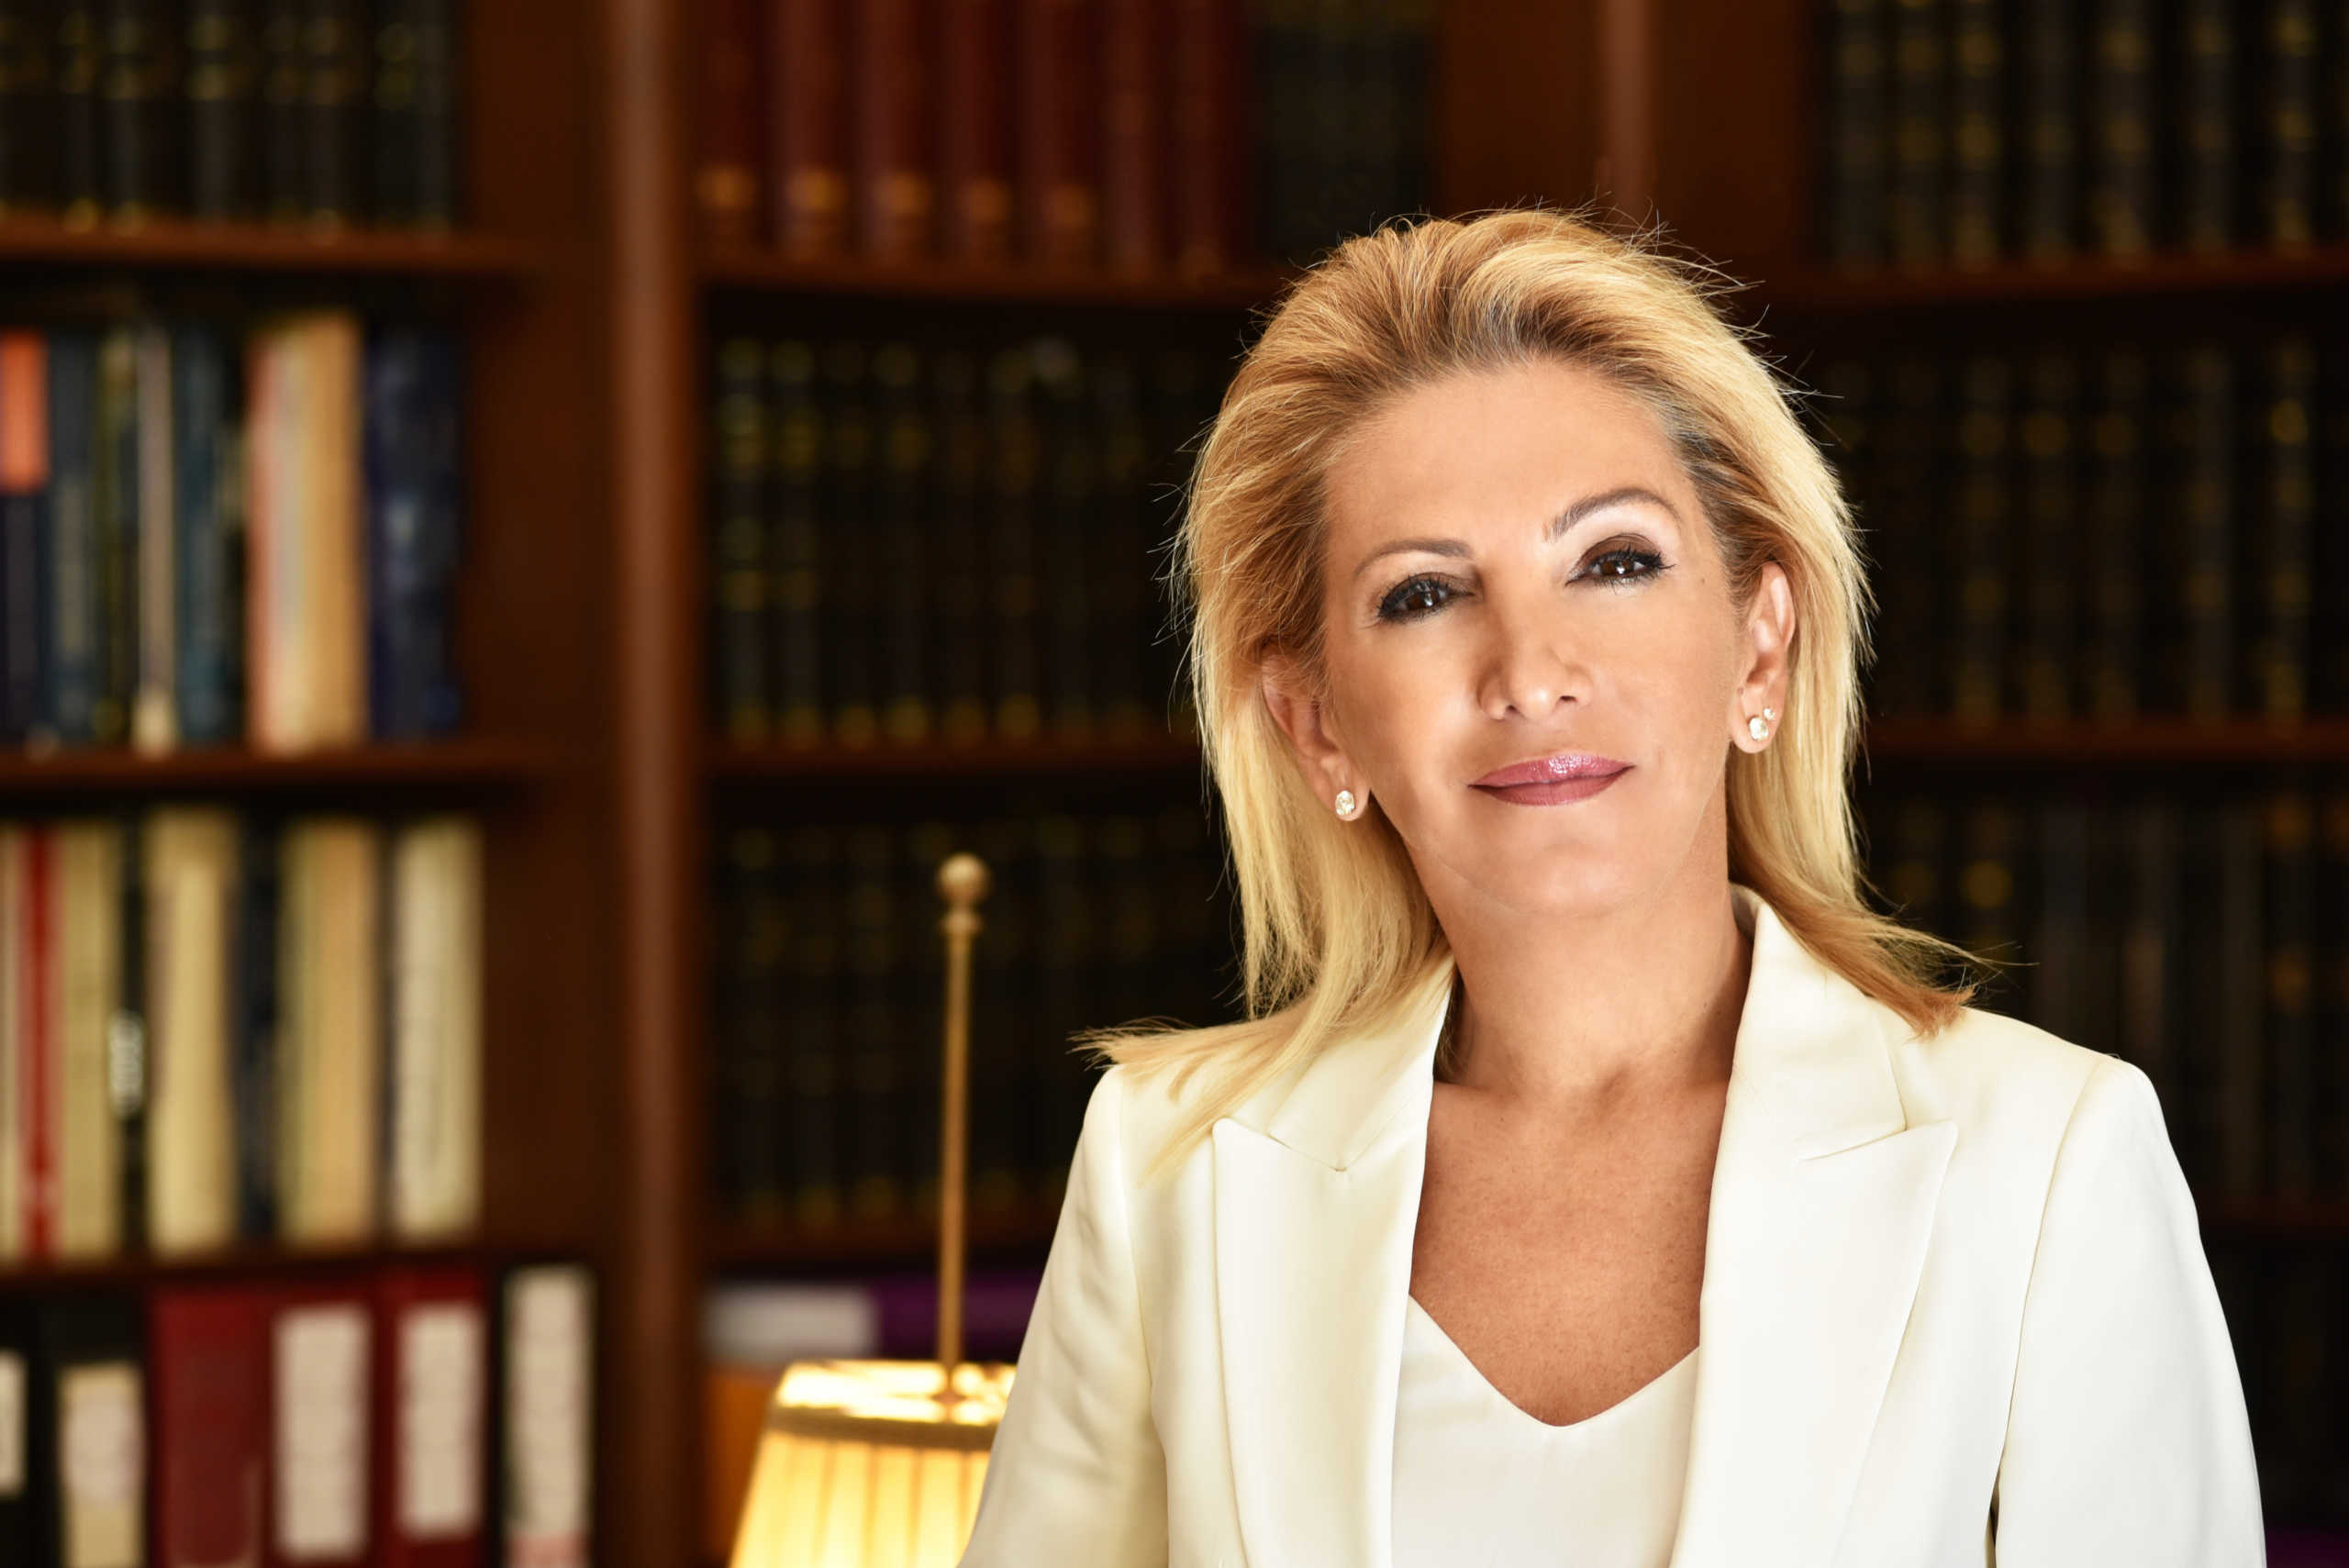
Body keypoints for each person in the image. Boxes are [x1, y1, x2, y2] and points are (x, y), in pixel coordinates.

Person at [956, 206, 2265, 1567]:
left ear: (1760, 646)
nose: (1532, 672)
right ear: (1317, 723)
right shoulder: (1165, 1169)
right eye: (1422, 594)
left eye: (1615, 562)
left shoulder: (2048, 1160)